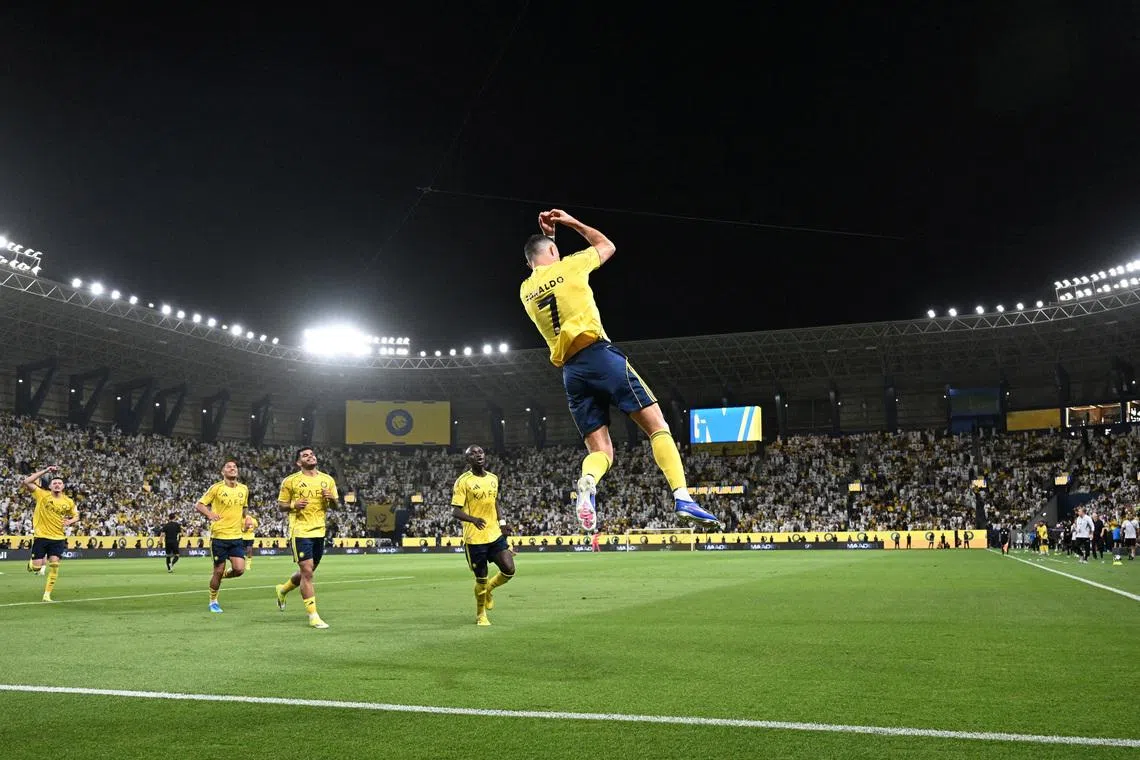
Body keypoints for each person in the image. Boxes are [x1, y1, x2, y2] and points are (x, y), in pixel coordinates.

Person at [519, 209, 719, 532]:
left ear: (529, 262)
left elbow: (547, 273)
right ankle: (682, 496)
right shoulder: (571, 266)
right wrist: (571, 223)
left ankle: (587, 481)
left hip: (571, 374)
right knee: (657, 425)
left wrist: (550, 239)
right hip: (599, 357)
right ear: (555, 253)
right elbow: (607, 245)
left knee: (602, 452)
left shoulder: (525, 292)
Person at [450, 445, 515, 626]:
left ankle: (489, 590)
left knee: (509, 569)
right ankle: (481, 614)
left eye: (480, 452)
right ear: (468, 460)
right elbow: (455, 511)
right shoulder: (463, 481)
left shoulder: (493, 478)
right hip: (475, 538)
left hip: (494, 534)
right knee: (481, 578)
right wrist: (473, 519)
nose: (478, 455)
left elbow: (495, 502)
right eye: (473, 453)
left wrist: (502, 524)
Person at [275, 447, 338, 629]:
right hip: (300, 531)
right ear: (298, 462)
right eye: (305, 455)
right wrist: (294, 504)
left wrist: (331, 499)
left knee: (307, 572)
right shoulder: (291, 481)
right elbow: (281, 506)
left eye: (311, 454)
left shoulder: (327, 480)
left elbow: (335, 506)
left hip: (320, 531)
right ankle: (313, 616)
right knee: (307, 573)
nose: (310, 457)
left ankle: (283, 589)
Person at [194, 460, 251, 613]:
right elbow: (199, 505)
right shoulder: (216, 488)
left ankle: (220, 576)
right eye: (228, 467)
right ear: (223, 472)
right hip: (219, 536)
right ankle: (213, 601)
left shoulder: (244, 489)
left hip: (236, 537)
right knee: (218, 570)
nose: (232, 469)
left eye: (235, 467)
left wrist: (247, 519)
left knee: (239, 570)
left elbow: (243, 510)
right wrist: (210, 514)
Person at [21, 465, 78, 602]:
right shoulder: (42, 495)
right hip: (41, 536)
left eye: (59, 483)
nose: (57, 485)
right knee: (36, 567)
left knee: (54, 564)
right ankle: (32, 565)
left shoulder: (68, 501)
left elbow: (76, 515)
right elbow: (27, 482)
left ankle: (47, 594)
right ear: (50, 486)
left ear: (63, 486)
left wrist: (70, 522)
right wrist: (46, 471)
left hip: (58, 538)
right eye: (54, 483)